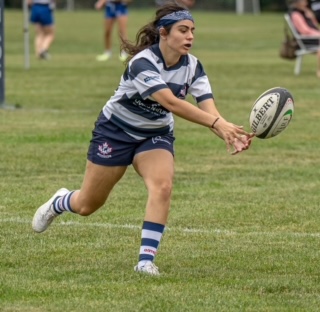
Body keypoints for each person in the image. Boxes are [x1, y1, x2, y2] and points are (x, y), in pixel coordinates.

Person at [32, 3, 254, 276]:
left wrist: (229, 133)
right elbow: (171, 102)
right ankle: (60, 201)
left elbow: (209, 110)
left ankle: (145, 261)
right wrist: (219, 124)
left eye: (193, 31)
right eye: (183, 30)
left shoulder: (194, 67)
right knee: (88, 205)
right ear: (163, 33)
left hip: (155, 135)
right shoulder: (142, 63)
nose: (190, 37)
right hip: (115, 131)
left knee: (162, 186)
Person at [288, 0, 320, 77]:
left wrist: (310, 15)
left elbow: (315, 25)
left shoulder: (305, 13)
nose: (306, 3)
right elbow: (305, 30)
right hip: (306, 40)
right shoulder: (296, 14)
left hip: (314, 38)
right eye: (303, 2)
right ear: (297, 3)